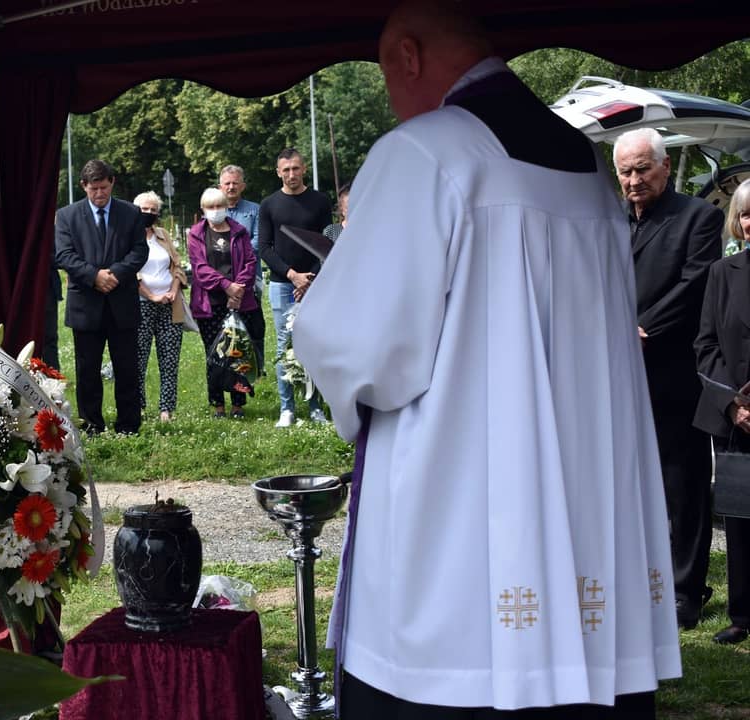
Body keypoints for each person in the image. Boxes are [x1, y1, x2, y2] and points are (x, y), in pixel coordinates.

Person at [292, 1, 679, 716]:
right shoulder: (587, 164)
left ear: (408, 56)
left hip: (462, 508)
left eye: (385, 74)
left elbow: (358, 347)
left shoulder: (423, 154)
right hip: (587, 497)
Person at [615, 126, 723, 630]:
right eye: (625, 172)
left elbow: (695, 281)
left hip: (673, 373)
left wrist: (643, 328)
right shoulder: (610, 221)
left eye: (642, 169)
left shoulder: (698, 217)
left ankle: (685, 591)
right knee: (629, 483)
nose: (634, 180)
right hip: (617, 371)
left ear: (664, 166)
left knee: (683, 485)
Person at [693, 178, 750, 646]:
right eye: (747, 214)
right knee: (739, 520)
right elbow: (705, 344)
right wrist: (733, 403)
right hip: (735, 419)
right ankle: (743, 615)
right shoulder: (721, 272)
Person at [54, 159, 147, 435]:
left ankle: (128, 425)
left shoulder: (130, 213)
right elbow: (64, 255)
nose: (100, 194)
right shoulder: (67, 216)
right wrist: (94, 276)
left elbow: (139, 251)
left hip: (122, 302)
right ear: (84, 186)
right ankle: (91, 424)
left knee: (127, 368)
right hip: (86, 304)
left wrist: (115, 274)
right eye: (94, 189)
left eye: (104, 187)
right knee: (87, 370)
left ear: (112, 182)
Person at [259, 148, 331, 427]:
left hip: (314, 284)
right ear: (278, 172)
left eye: (296, 168)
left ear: (304, 169)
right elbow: (265, 248)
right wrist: (292, 276)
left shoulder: (320, 201)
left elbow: (325, 244)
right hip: (282, 284)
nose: (292, 174)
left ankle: (315, 406)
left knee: (313, 344)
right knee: (283, 346)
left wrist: (309, 278)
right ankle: (287, 408)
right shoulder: (269, 204)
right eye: (286, 170)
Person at [189, 188, 259, 419]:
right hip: (209, 304)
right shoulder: (196, 234)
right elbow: (200, 268)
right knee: (215, 355)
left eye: (219, 206)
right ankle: (218, 404)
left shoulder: (239, 231)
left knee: (237, 354)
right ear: (203, 209)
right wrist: (226, 285)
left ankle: (238, 404)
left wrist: (238, 289)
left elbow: (250, 261)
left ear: (226, 207)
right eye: (210, 207)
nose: (215, 210)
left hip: (239, 301)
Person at [133, 190, 184, 422]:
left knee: (170, 359)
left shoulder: (162, 235)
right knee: (138, 359)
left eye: (153, 210)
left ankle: (166, 410)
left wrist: (173, 289)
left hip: (170, 304)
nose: (149, 213)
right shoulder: (128, 236)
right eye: (144, 209)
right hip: (141, 305)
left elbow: (177, 265)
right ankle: (138, 407)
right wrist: (151, 296)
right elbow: (129, 272)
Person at [220, 164, 267, 376]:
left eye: (235, 183)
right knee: (226, 325)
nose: (231, 187)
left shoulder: (255, 210)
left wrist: (232, 255)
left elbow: (258, 243)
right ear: (220, 186)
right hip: (222, 281)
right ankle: (229, 366)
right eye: (227, 183)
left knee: (254, 325)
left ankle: (257, 366)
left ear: (243, 186)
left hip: (250, 278)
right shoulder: (214, 210)